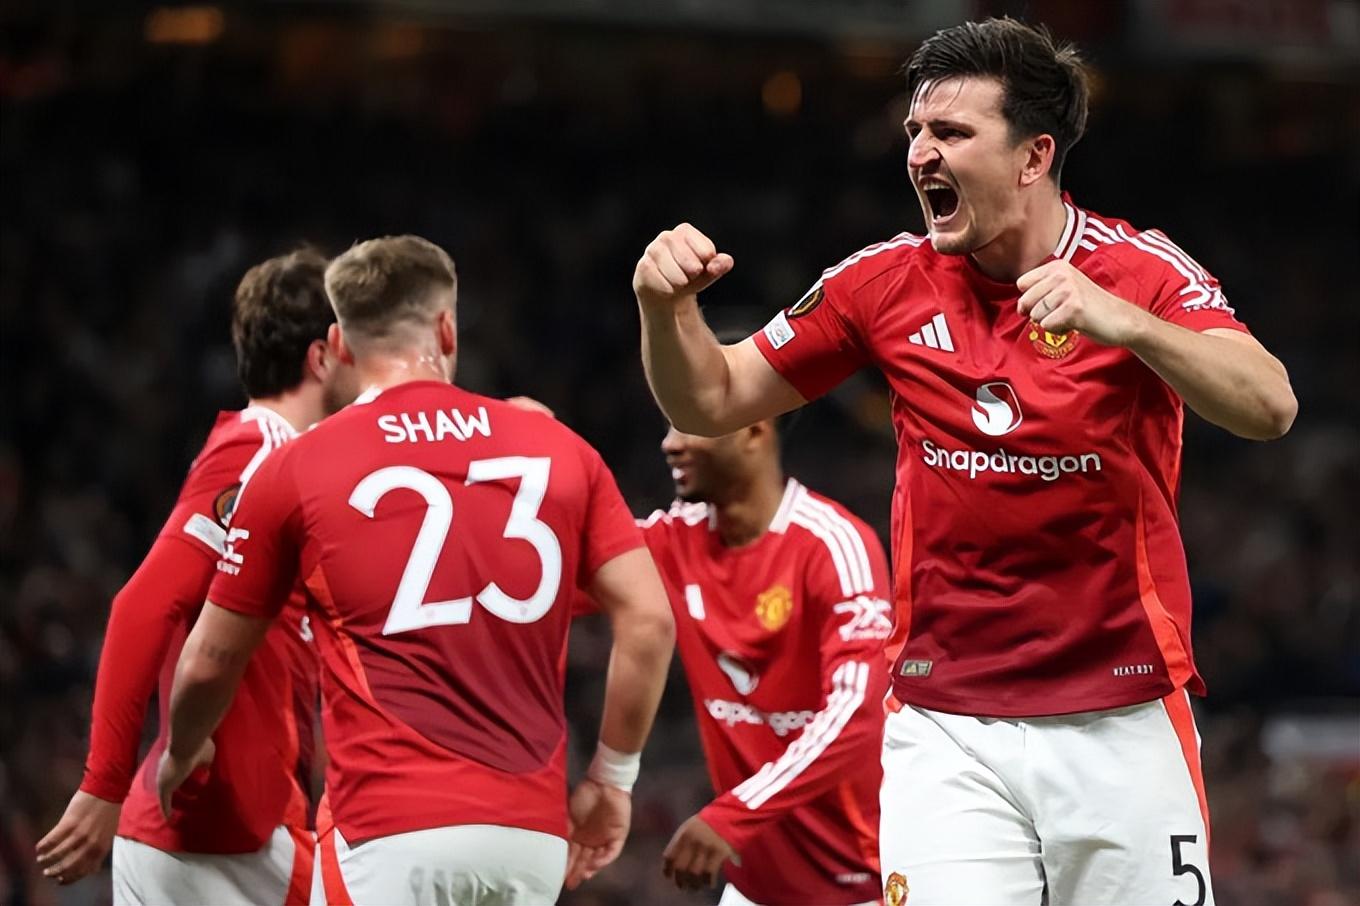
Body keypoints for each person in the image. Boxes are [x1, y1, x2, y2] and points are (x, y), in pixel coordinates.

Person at [630, 17, 1297, 906]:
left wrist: (1127, 325)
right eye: (915, 131)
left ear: (1033, 156)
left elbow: (1270, 404)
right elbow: (709, 400)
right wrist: (664, 311)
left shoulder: (1137, 272)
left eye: (950, 132)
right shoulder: (883, 282)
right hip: (945, 727)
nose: (920, 154)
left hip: (1121, 718)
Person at [155, 235, 676, 905]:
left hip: (384, 833)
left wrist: (184, 748)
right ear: (447, 328)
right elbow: (650, 620)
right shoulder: (558, 448)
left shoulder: (296, 468)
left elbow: (209, 661)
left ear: (338, 344)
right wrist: (611, 779)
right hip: (527, 840)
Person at [36, 249, 356, 904]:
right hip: (224, 841)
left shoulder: (284, 463)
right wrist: (102, 783)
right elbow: (143, 604)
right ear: (322, 356)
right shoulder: (258, 450)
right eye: (354, 345)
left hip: (205, 834)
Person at [644, 417, 891, 906]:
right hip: (753, 889)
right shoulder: (674, 538)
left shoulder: (833, 543)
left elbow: (859, 711)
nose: (670, 444)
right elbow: (558, 566)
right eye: (668, 425)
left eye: (688, 424)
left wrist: (734, 814)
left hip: (864, 884)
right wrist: (540, 451)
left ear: (754, 431)